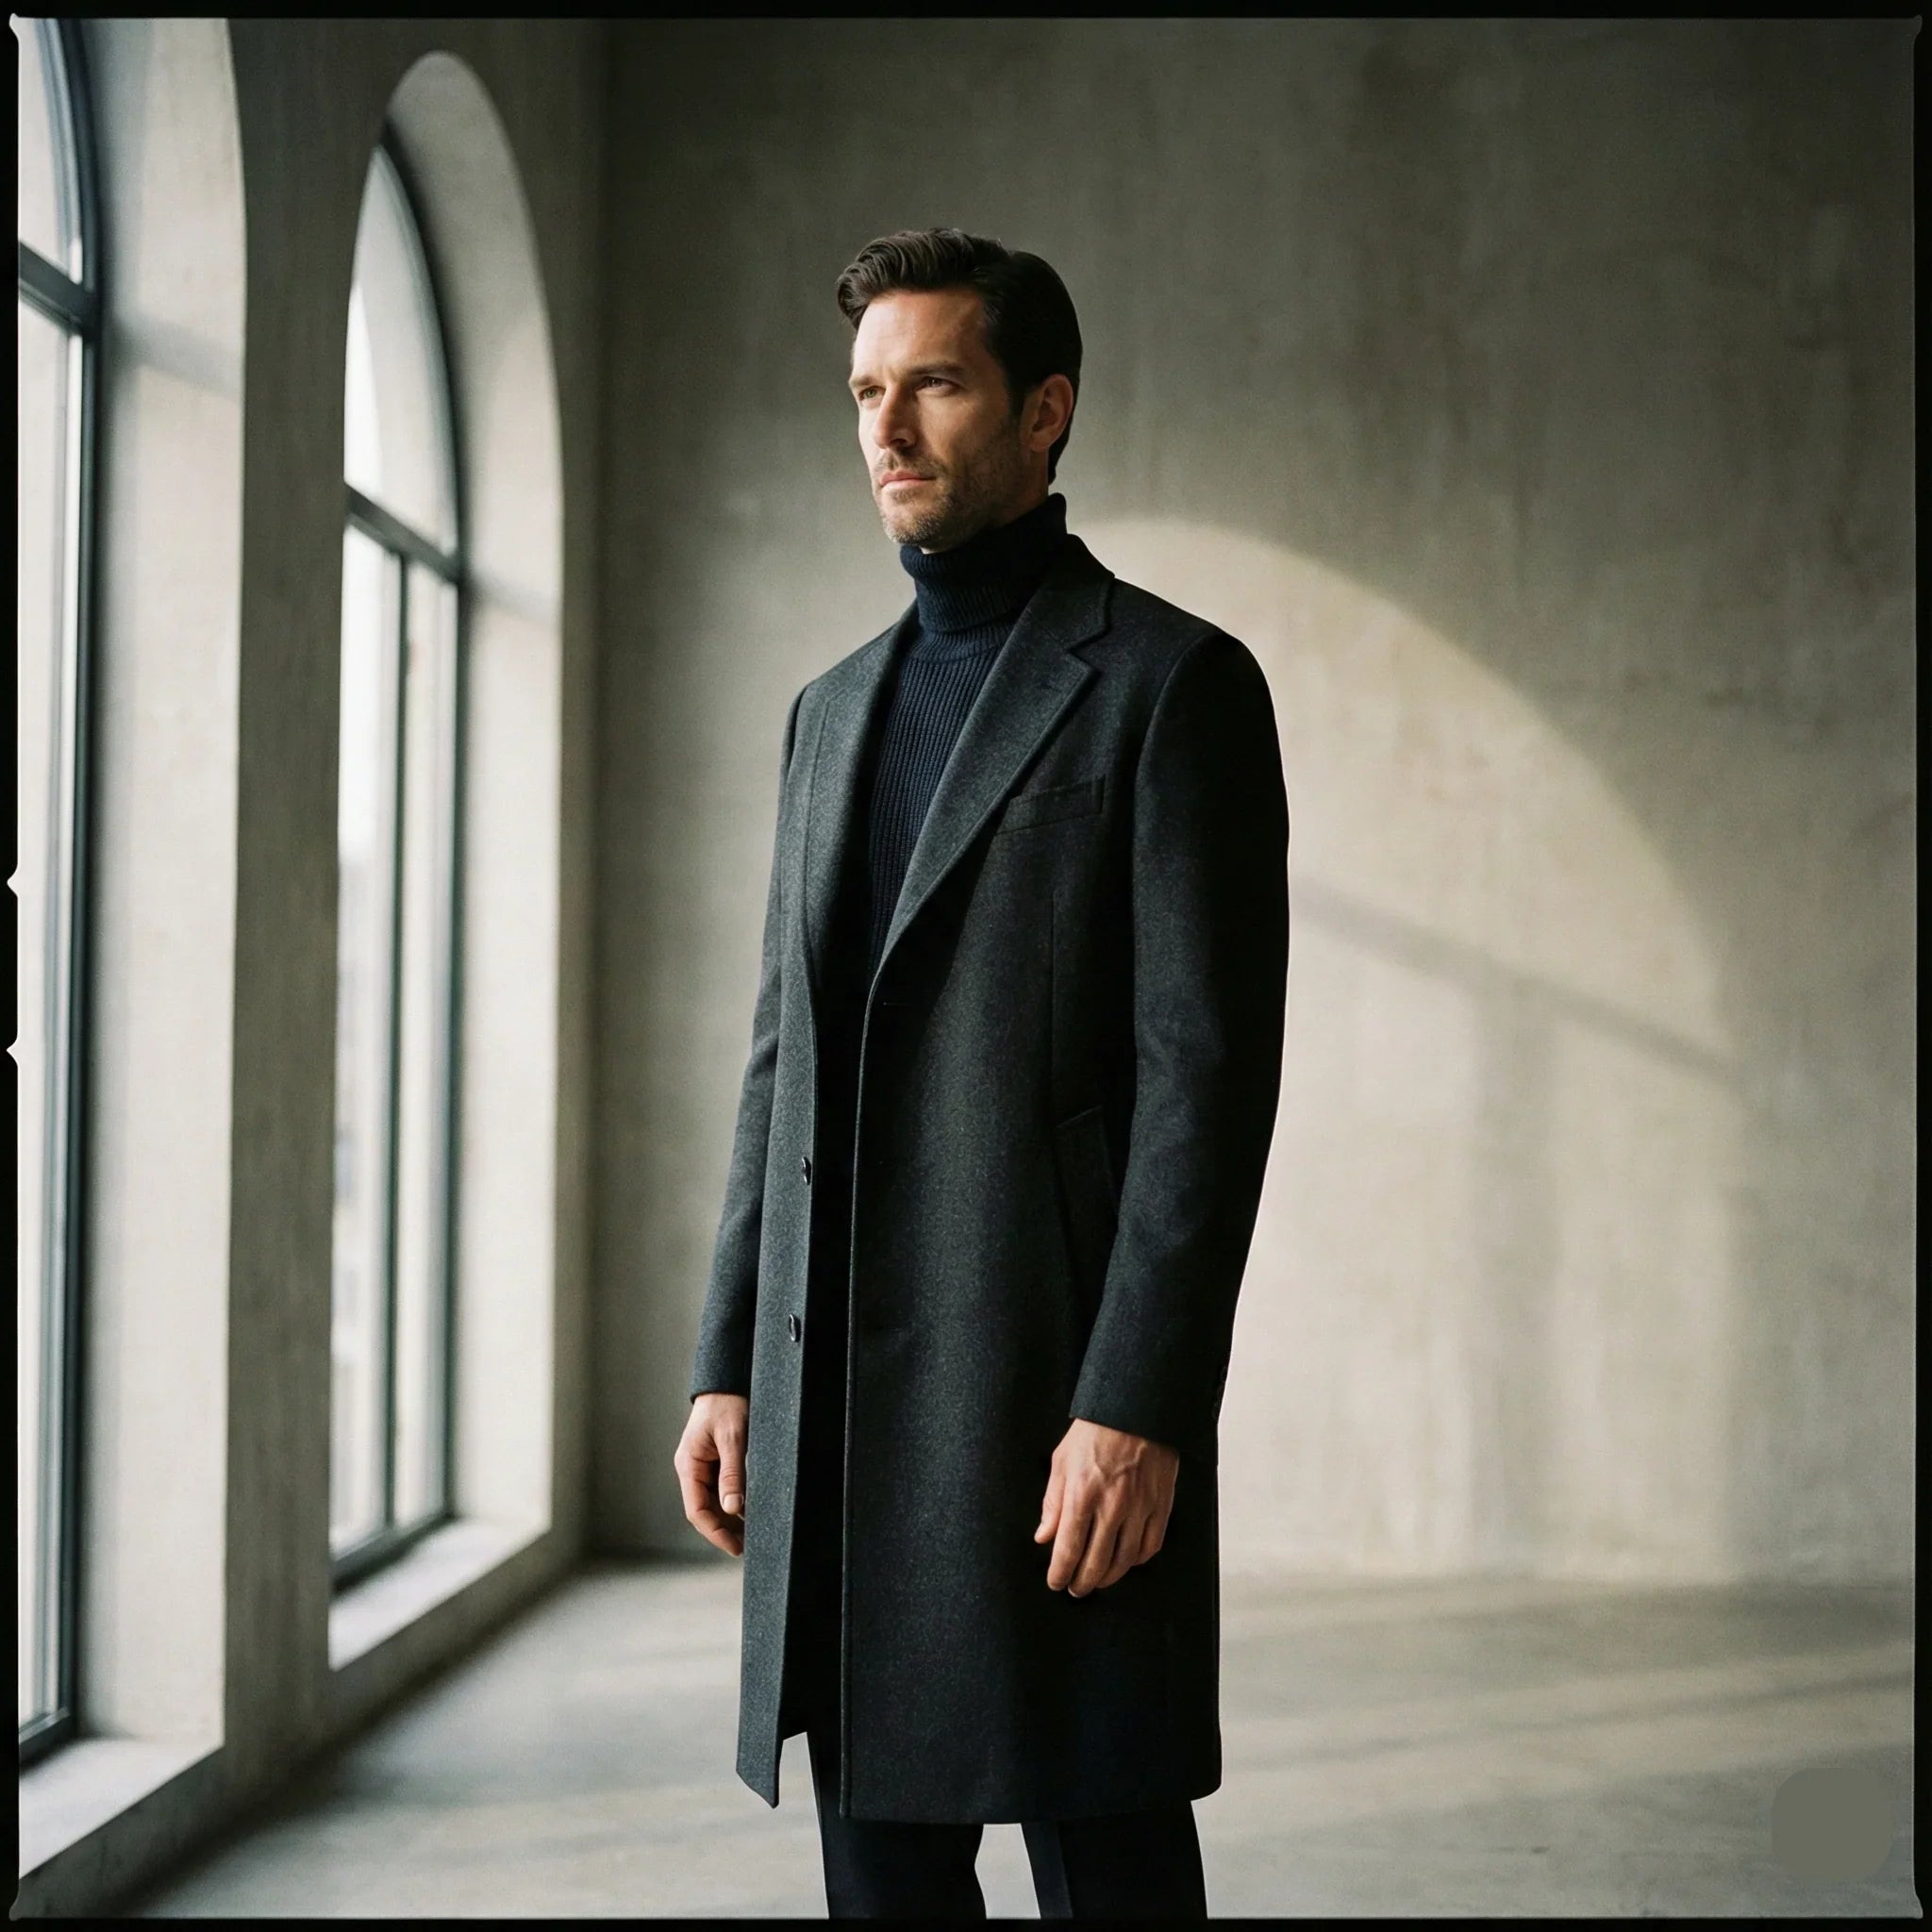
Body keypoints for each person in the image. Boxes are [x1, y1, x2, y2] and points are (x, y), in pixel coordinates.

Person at [675, 225, 1289, 1918]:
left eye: (934, 383)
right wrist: (730, 1355)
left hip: (1046, 1394)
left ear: (1044, 410)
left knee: (1109, 1865)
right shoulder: (828, 714)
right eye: (866, 390)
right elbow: (782, 1058)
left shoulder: (1172, 687)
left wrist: (1139, 1405)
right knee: (882, 1888)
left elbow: (1206, 1087)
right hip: (842, 1420)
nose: (887, 427)